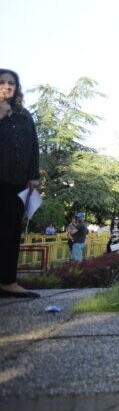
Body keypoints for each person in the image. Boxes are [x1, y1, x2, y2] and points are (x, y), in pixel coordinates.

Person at [0, 68, 41, 298]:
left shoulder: (24, 115)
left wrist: (33, 175)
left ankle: (8, 281)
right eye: (2, 83)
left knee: (11, 232)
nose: (7, 87)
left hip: (17, 183)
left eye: (11, 83)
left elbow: (34, 146)